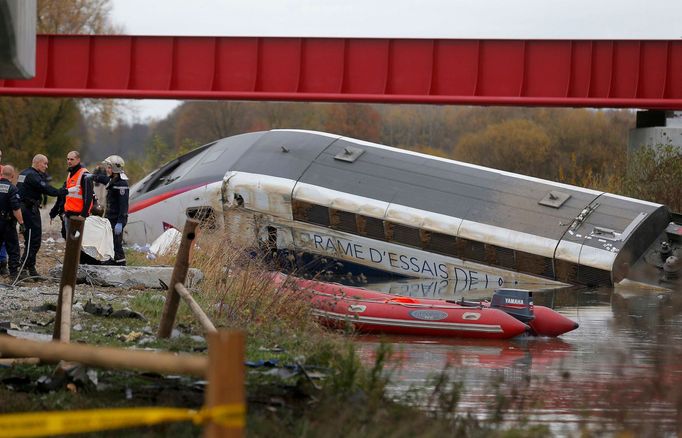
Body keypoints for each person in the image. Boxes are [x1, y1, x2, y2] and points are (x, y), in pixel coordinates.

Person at [17, 154, 67, 278]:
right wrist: (64, 191)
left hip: (25, 209)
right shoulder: (33, 175)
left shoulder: (24, 173)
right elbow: (47, 190)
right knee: (33, 240)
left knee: (32, 240)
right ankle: (23, 267)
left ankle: (30, 267)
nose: (46, 166)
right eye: (45, 163)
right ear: (38, 163)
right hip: (29, 210)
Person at [92, 155, 129, 266]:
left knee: (117, 243)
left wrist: (120, 222)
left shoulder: (121, 184)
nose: (107, 170)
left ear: (114, 168)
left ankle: (121, 265)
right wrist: (92, 176)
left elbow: (123, 206)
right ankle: (113, 262)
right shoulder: (114, 180)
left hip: (117, 219)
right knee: (110, 242)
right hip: (110, 218)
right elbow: (104, 179)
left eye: (109, 167)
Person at [52, 151, 93, 237]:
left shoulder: (85, 175)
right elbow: (65, 195)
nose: (69, 161)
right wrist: (60, 211)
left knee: (78, 244)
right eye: (67, 159)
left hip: (78, 216)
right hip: (68, 214)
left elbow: (88, 197)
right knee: (69, 242)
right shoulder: (70, 173)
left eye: (72, 159)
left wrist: (83, 215)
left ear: (78, 160)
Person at [0, 165, 25, 279]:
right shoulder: (12, 189)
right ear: (13, 176)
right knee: (13, 248)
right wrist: (21, 223)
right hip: (8, 223)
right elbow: (16, 209)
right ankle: (14, 274)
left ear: (1, 174)